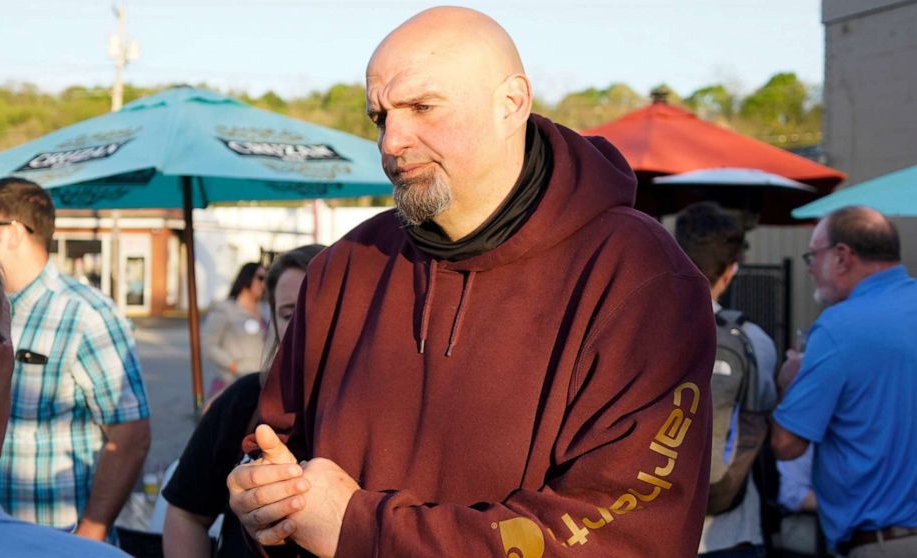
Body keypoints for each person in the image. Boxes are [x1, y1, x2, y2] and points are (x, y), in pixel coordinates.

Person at [227, 7, 716, 557]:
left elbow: (622, 535)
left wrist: (362, 529)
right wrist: (262, 496)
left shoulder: (641, 276)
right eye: (379, 116)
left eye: (421, 107)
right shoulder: (342, 268)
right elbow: (272, 446)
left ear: (511, 104)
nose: (391, 142)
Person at [0, 178, 151, 542]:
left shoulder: (85, 313)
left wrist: (91, 532)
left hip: (57, 536)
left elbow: (130, 435)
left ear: (14, 232)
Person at [771, 206, 917, 556]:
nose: (810, 268)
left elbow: (786, 444)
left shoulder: (838, 327)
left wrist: (790, 382)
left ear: (842, 256)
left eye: (813, 256)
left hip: (884, 543)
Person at [162, 245, 325, 558]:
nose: (302, 326)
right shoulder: (245, 399)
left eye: (318, 307)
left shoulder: (383, 409)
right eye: (289, 314)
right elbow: (186, 513)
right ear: (274, 324)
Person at [675, 202, 778, 558]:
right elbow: (763, 420)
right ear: (730, 271)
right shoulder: (753, 341)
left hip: (651, 529)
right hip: (730, 532)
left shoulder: (637, 329)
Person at [202, 261, 271, 398]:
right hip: (232, 383)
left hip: (263, 383)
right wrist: (233, 366)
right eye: (260, 278)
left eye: (267, 279)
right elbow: (209, 346)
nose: (264, 283)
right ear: (247, 277)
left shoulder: (267, 310)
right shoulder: (224, 309)